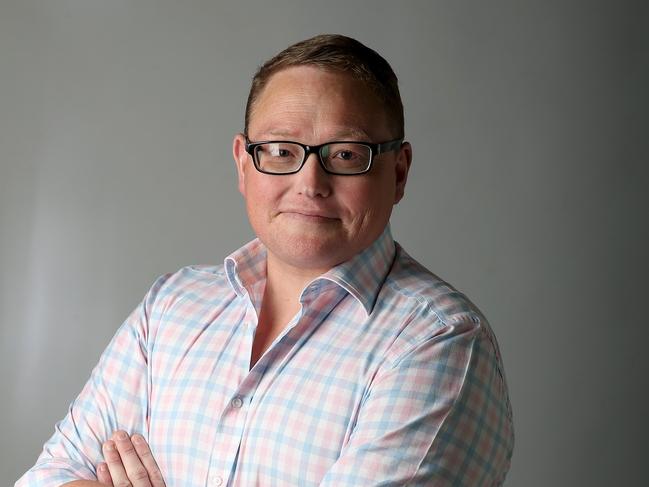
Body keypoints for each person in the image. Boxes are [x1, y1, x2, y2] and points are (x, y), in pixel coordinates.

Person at [16, 34, 514, 487]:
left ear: (399, 171)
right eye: (279, 149)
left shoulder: (437, 342)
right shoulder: (170, 309)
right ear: (242, 163)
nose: (309, 183)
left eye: (344, 154)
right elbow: (46, 478)